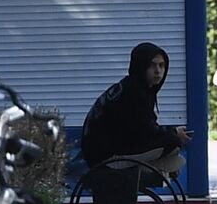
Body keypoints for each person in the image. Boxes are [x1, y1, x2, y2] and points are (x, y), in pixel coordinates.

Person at [81, 42, 191, 176]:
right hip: (106, 156)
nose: (158, 71)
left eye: (161, 65)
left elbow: (143, 127)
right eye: (152, 65)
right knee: (173, 142)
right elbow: (144, 130)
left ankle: (154, 165)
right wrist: (173, 133)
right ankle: (150, 166)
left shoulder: (134, 88)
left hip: (106, 150)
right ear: (140, 66)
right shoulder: (133, 92)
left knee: (171, 141)